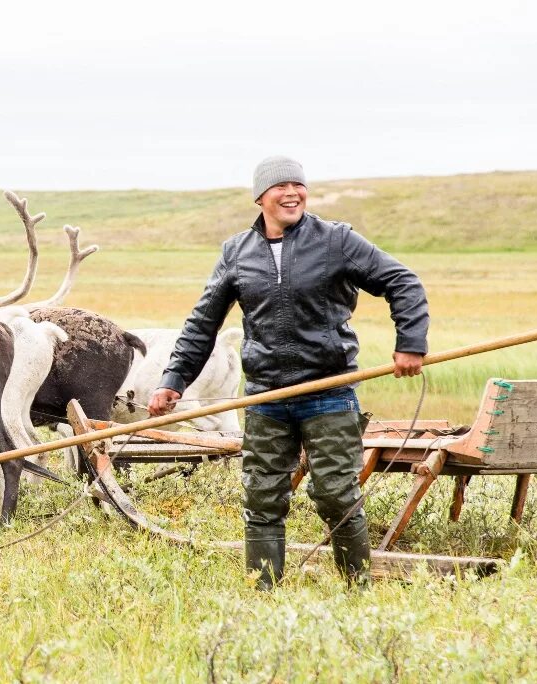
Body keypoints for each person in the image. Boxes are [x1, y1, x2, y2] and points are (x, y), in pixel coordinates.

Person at [148, 156, 428, 589]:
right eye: (281, 186)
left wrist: (410, 343)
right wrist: (172, 381)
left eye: (299, 184)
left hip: (329, 393)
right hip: (267, 397)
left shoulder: (336, 240)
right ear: (260, 196)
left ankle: (359, 590)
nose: (292, 192)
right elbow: (204, 323)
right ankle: (264, 592)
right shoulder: (237, 252)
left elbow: (402, 282)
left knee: (336, 494)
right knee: (262, 498)